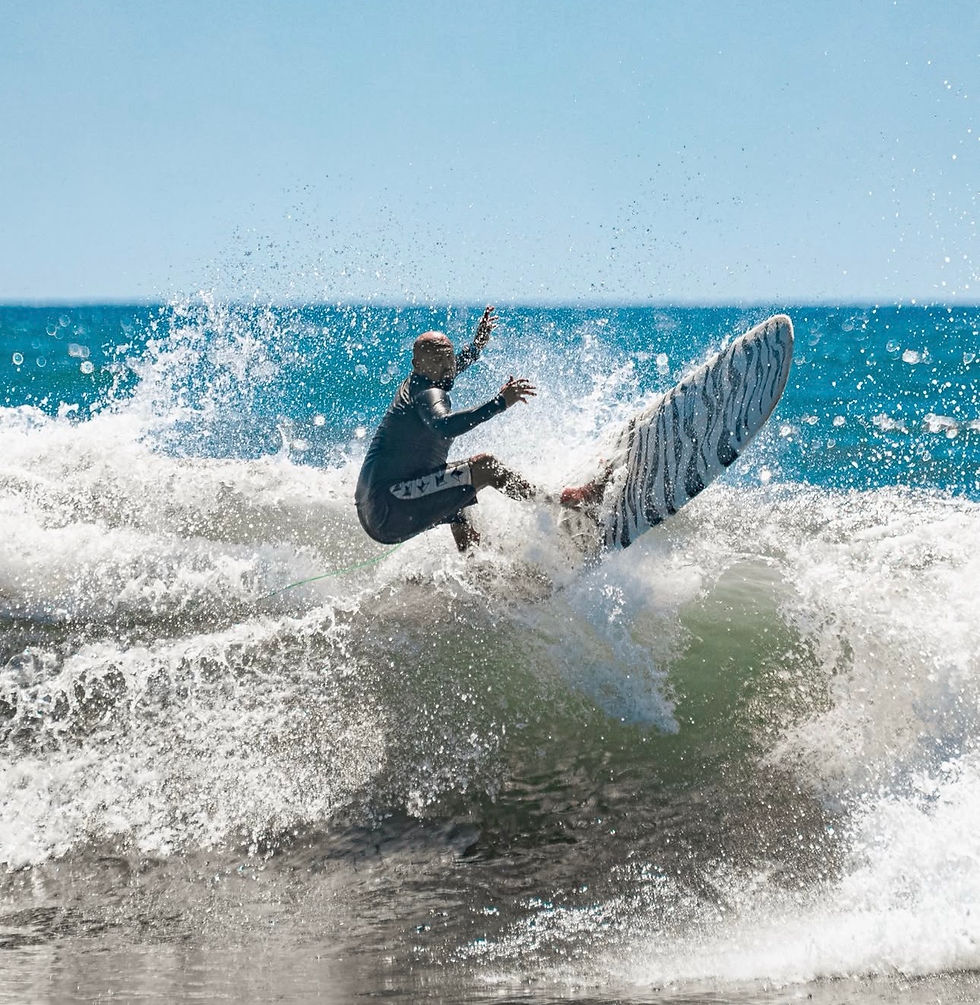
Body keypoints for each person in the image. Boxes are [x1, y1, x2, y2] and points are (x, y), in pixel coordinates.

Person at [355, 306, 603, 552]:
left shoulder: (424, 379)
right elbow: (444, 425)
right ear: (417, 364)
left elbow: (450, 369)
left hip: (378, 508)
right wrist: (500, 402)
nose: (447, 367)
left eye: (448, 359)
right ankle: (560, 502)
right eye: (438, 361)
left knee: (460, 489)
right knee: (484, 467)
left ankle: (475, 572)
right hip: (390, 506)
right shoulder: (427, 394)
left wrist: (476, 347)